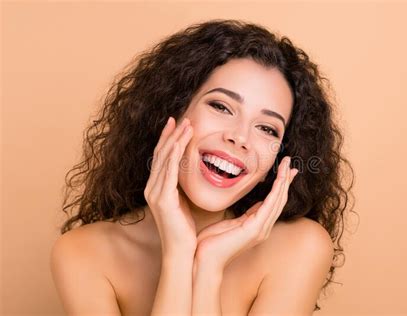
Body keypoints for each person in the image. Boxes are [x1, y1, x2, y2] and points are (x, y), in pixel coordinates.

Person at [50, 19, 355, 315]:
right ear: (172, 108)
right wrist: (178, 256)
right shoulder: (82, 254)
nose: (239, 137)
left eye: (267, 128)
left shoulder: (301, 247)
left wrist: (209, 267)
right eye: (221, 107)